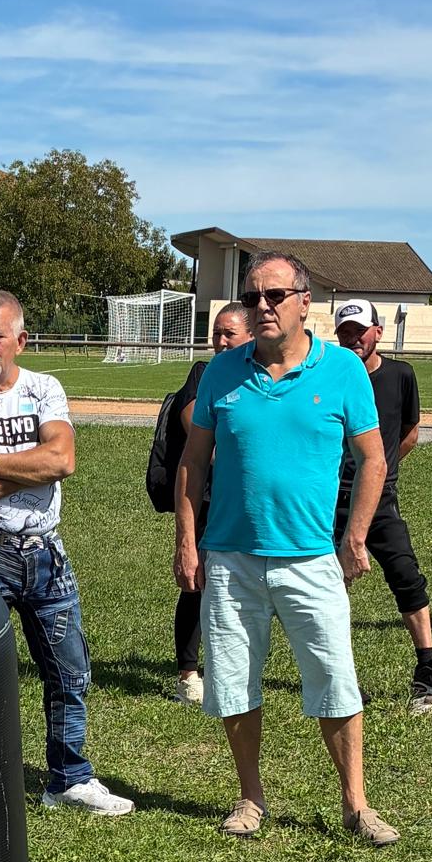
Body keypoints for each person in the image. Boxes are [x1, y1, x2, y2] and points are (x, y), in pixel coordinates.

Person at [174, 252, 396, 844]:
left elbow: (373, 458)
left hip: (309, 557)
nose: (262, 307)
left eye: (274, 295)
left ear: (305, 302)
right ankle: (250, 798)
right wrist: (187, 541)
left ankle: (356, 805)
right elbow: (193, 463)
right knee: (234, 681)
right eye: (253, 298)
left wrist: (354, 536)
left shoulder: (344, 370)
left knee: (334, 678)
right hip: (231, 558)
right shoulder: (223, 372)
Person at [0, 290, 133, 815]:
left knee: (69, 671)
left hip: (45, 553)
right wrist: (24, 470)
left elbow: (62, 460)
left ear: (20, 339)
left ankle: (67, 779)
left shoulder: (45, 389)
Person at [331, 298, 432, 697]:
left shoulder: (401, 375)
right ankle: (335, 673)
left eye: (360, 331)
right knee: (331, 586)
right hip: (331, 499)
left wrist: (380, 468)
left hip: (380, 498)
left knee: (406, 575)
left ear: (378, 332)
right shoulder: (330, 377)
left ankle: (427, 664)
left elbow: (410, 432)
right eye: (345, 333)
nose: (354, 339)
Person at [170, 301, 253, 704]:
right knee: (197, 582)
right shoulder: (204, 373)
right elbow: (195, 429)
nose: (220, 341)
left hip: (248, 502)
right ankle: (188, 673)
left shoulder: (261, 375)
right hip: (207, 497)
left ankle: (233, 668)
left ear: (250, 335)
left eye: (229, 333)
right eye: (217, 333)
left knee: (245, 584)